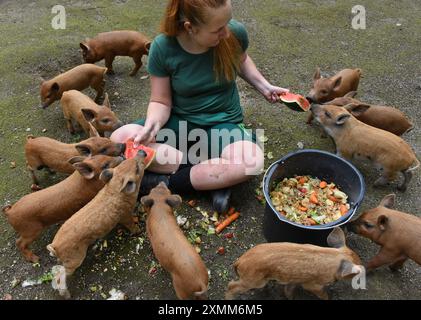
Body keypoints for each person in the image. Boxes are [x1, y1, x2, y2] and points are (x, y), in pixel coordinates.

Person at [111, 0, 289, 213]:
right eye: (218, 29)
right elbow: (161, 100)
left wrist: (264, 86)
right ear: (190, 27)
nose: (226, 32)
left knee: (252, 161)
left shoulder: (234, 33)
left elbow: (241, 60)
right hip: (178, 121)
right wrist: (152, 125)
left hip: (221, 124)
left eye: (228, 23)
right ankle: (211, 178)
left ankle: (164, 182)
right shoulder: (163, 47)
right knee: (120, 138)